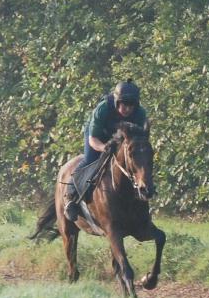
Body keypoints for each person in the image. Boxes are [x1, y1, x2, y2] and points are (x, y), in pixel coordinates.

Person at [63, 79, 148, 221]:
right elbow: (93, 140)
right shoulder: (103, 109)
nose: (128, 109)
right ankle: (71, 197)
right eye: (124, 104)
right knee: (90, 160)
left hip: (122, 138)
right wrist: (104, 148)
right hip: (97, 137)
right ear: (117, 102)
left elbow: (139, 140)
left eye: (131, 105)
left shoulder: (140, 114)